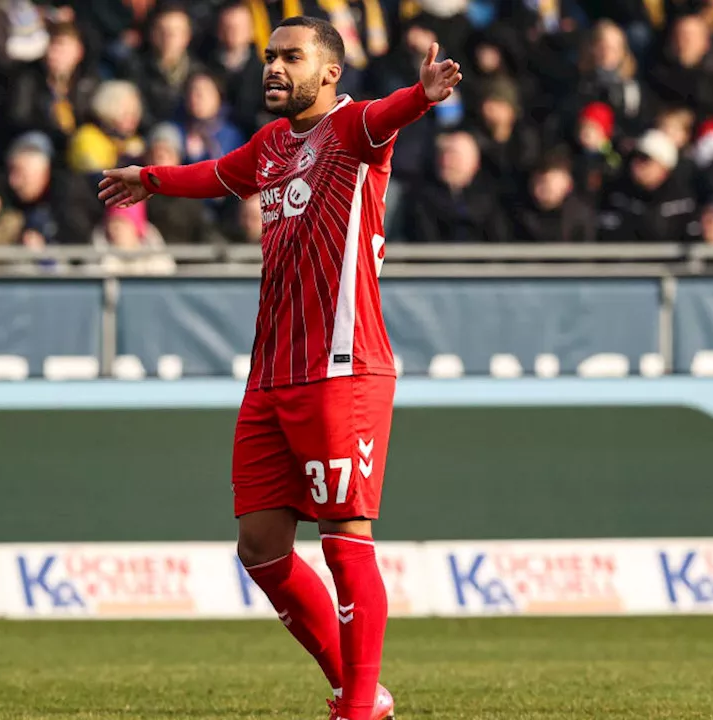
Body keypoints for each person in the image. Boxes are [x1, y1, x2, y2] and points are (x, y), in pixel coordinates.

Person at [97, 16, 461, 720]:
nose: (272, 66)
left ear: (330, 71)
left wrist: (420, 95)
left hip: (342, 366)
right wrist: (150, 179)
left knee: (343, 538)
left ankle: (357, 707)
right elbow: (216, 174)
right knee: (261, 547)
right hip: (271, 374)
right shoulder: (269, 146)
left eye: (290, 56)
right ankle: (360, 690)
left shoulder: (355, 128)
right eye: (268, 56)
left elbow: (392, 111)